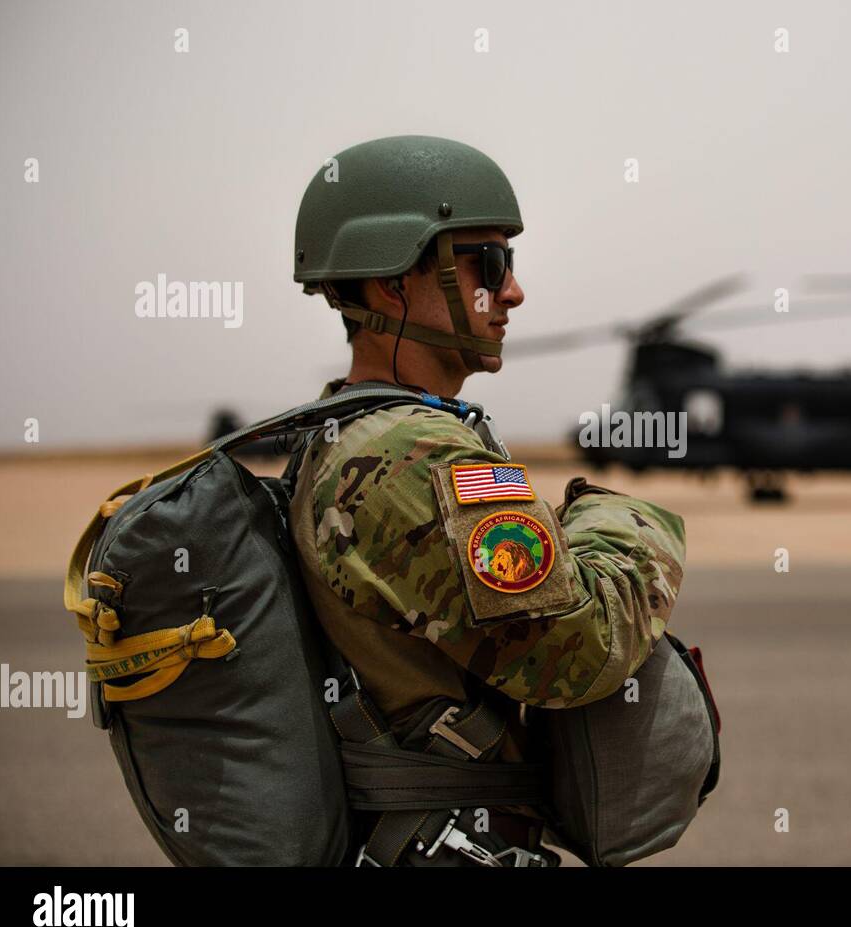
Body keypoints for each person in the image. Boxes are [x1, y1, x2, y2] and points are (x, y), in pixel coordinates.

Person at [287, 135, 688, 866]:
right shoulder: (409, 457)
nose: (511, 291)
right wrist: (620, 519)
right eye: (488, 262)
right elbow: (580, 654)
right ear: (391, 283)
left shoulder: (351, 434)